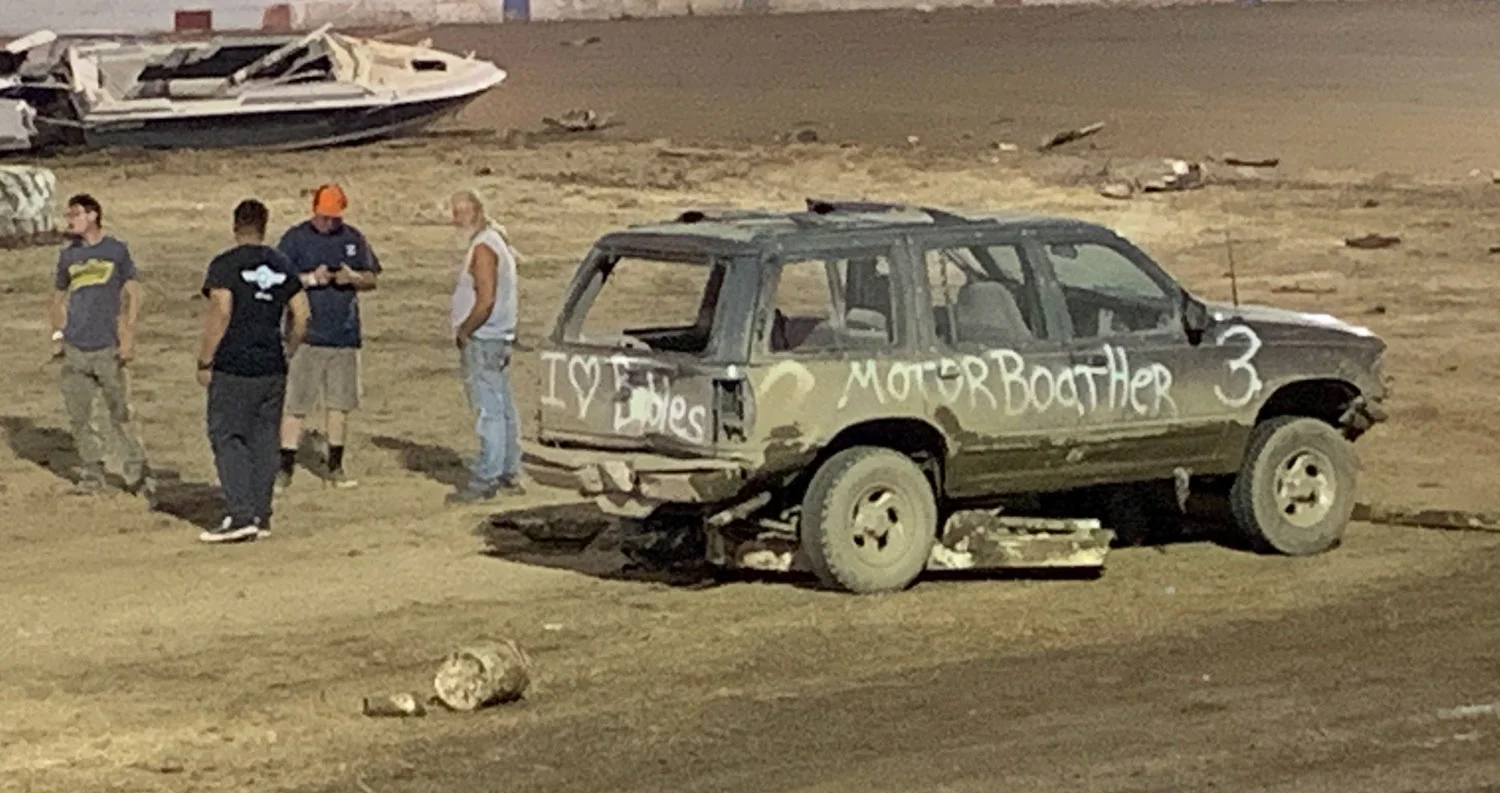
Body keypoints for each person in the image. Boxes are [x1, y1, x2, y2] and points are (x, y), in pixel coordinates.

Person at [195, 199, 310, 544]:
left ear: (236, 226)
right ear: (264, 225)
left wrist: (205, 359)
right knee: (263, 439)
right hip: (271, 365)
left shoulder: (225, 265)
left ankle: (241, 514)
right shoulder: (282, 264)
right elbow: (302, 315)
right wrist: (288, 348)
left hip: (234, 365)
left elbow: (221, 312)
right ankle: (261, 513)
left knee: (228, 435)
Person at [274, 183, 380, 490]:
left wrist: (353, 278)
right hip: (307, 337)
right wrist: (310, 279)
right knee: (295, 403)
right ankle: (285, 467)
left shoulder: (353, 238)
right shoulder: (295, 239)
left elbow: (372, 277)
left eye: (333, 216)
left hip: (344, 336)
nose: (328, 222)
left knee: (339, 403)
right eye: (323, 216)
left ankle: (335, 465)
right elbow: (279, 278)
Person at [48, 193, 153, 498]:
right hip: (76, 348)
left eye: (75, 214)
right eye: (68, 215)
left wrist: (129, 334)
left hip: (108, 346)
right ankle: (93, 473)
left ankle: (137, 474)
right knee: (80, 416)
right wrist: (58, 336)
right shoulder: (68, 257)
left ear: (93, 215)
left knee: (120, 414)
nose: (70, 220)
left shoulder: (116, 251)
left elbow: (134, 293)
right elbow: (57, 300)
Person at [445, 189, 524, 504]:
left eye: (459, 212)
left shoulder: (484, 248)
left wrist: (465, 330)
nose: (455, 220)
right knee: (503, 407)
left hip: (485, 338)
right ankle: (508, 470)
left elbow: (486, 299)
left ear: (475, 212)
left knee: (489, 409)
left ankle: (487, 476)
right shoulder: (497, 241)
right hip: (499, 336)